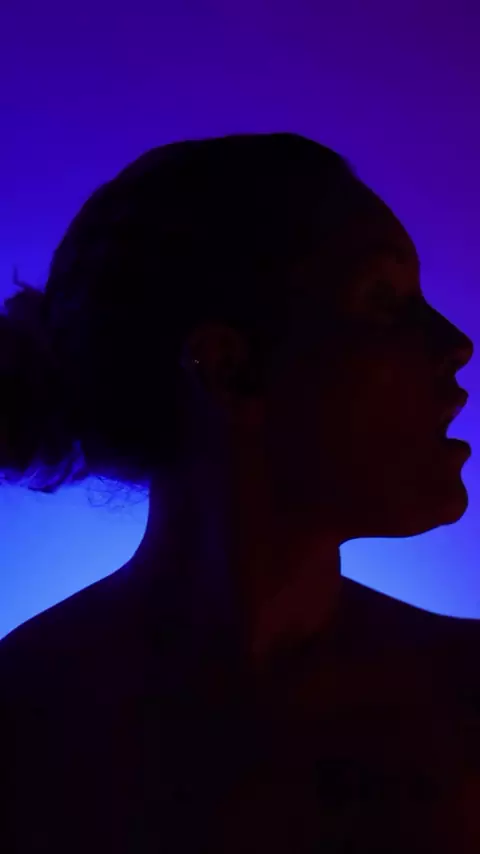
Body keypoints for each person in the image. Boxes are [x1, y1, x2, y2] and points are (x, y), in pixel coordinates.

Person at [0, 132, 478, 853]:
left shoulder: (31, 712)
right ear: (226, 368)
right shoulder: (23, 727)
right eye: (383, 300)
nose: (456, 344)